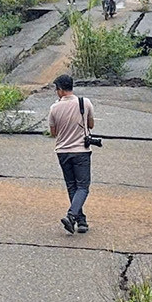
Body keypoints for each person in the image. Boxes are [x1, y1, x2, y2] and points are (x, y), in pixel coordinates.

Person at [47, 73, 95, 234]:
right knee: (83, 187)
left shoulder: (54, 108)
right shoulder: (85, 103)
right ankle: (72, 215)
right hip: (81, 151)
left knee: (72, 186)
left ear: (60, 89)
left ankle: (81, 221)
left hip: (62, 152)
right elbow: (91, 125)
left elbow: (53, 132)